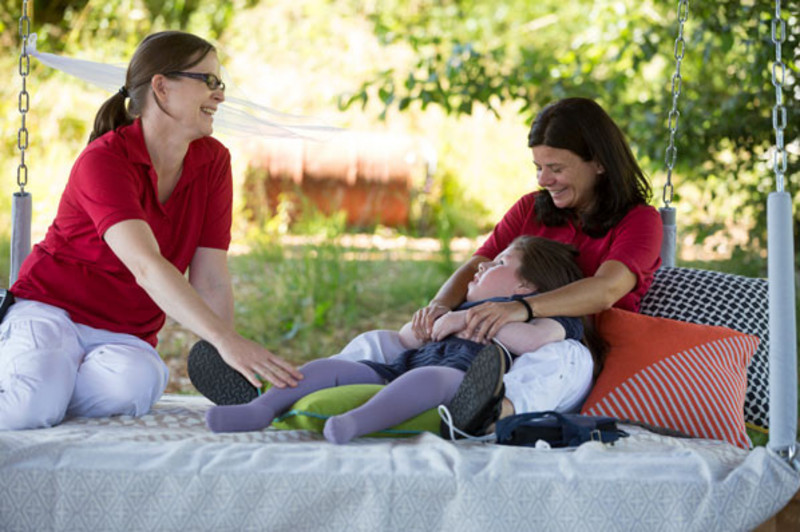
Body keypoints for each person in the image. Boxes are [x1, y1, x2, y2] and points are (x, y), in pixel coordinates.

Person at [0, 31, 302, 431]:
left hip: (124, 334)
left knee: (136, 387)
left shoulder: (213, 162)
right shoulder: (104, 160)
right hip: (51, 309)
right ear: (161, 87)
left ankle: (39, 383)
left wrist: (220, 353)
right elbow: (146, 265)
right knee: (28, 411)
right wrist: (229, 342)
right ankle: (31, 379)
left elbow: (210, 278)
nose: (220, 96)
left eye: (220, 84)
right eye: (208, 81)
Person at [335, 97, 662, 429]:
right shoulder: (531, 208)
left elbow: (605, 289)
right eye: (538, 167)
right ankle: (317, 384)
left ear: (599, 164)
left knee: (563, 357)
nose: (543, 180)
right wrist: (439, 308)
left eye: (557, 168)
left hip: (559, 345)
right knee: (383, 341)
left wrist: (521, 309)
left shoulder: (639, 220)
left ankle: (492, 414)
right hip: (485, 342)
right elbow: (477, 264)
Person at [204, 236, 596, 443]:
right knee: (330, 369)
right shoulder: (456, 305)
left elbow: (533, 341)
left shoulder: (550, 317)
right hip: (406, 364)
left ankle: (356, 422)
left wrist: (467, 320)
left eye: (499, 264)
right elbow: (407, 338)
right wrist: (429, 322)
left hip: (461, 376)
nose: (482, 267)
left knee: (430, 381)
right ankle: (261, 407)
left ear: (527, 285)